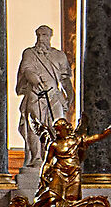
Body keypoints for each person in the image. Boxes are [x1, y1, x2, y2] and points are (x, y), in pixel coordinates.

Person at [14, 25, 74, 178]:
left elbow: (65, 78)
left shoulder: (59, 56)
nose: (42, 38)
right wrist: (32, 77)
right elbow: (26, 69)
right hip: (35, 94)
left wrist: (69, 95)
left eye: (45, 35)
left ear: (50, 36)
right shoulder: (30, 53)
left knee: (58, 127)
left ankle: (57, 158)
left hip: (54, 96)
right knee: (34, 127)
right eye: (40, 35)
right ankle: (36, 158)